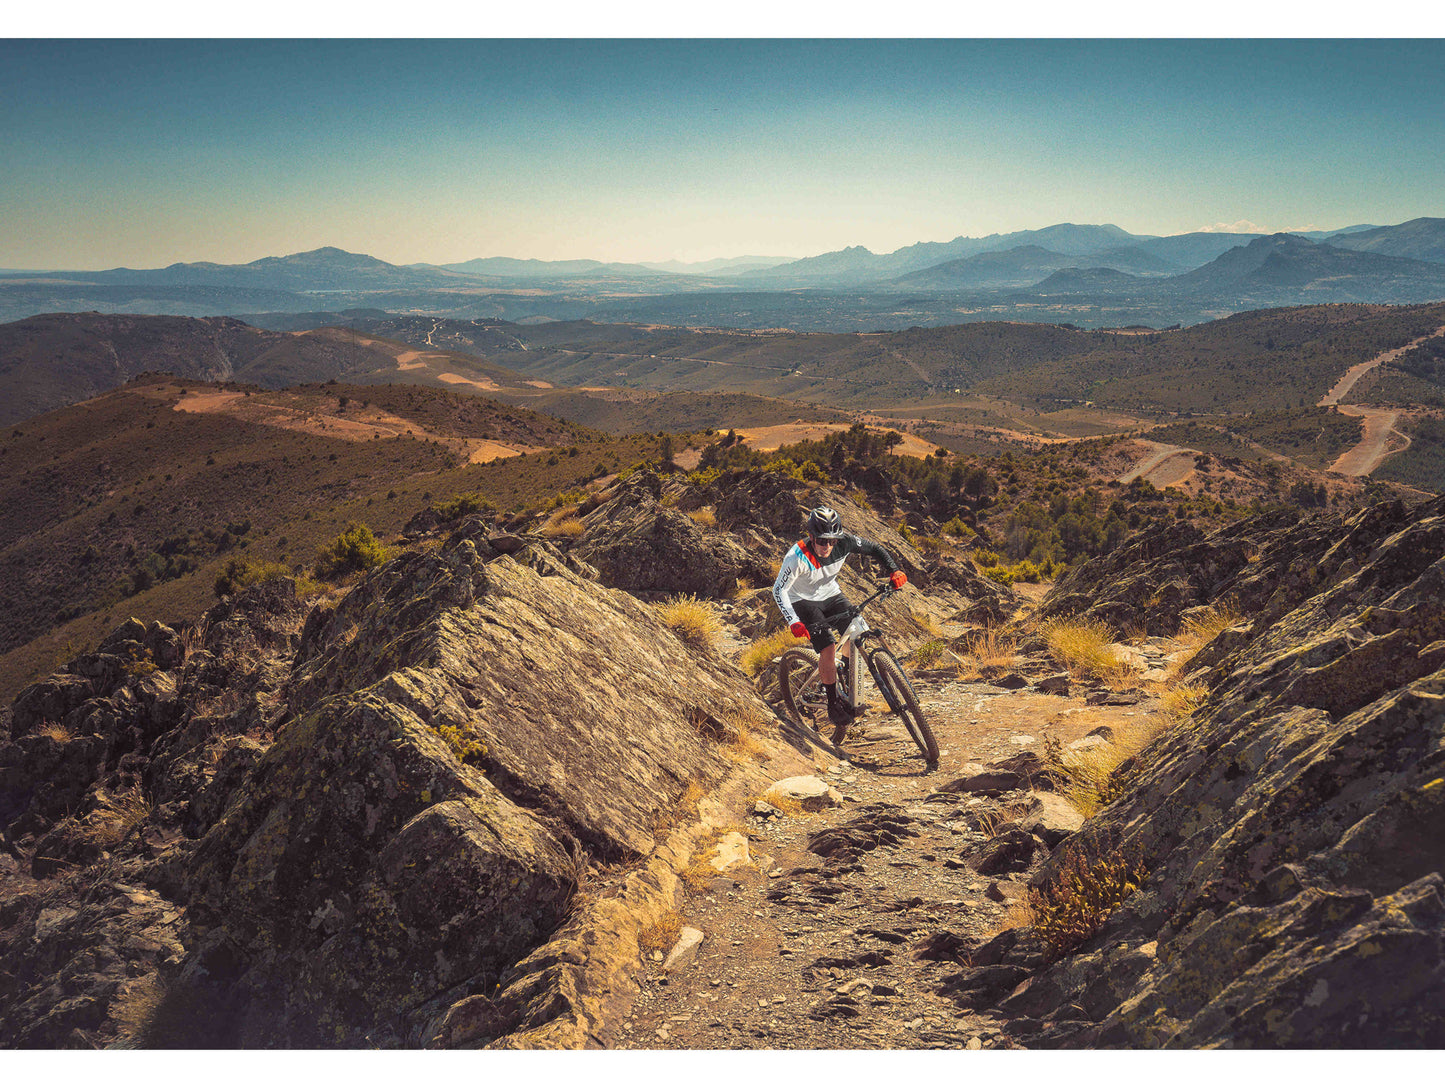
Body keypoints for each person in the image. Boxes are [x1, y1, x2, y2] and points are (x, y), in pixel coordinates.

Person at [773, 506, 908, 742]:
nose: (827, 547)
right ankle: (833, 701)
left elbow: (875, 548)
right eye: (822, 541)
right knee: (828, 646)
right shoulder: (796, 557)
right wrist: (793, 620)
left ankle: (844, 669)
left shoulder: (845, 542)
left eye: (832, 541)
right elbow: (779, 590)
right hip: (802, 600)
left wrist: (893, 570)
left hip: (831, 594)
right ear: (812, 537)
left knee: (859, 632)